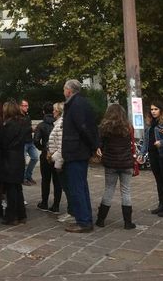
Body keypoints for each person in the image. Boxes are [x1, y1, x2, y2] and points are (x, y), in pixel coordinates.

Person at [61, 79, 98, 233]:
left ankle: (83, 221)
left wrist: (93, 146)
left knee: (77, 187)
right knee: (80, 186)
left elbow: (84, 127)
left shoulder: (75, 105)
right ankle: (84, 218)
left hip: (76, 151)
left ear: (69, 90)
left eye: (64, 89)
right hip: (78, 150)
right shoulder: (81, 103)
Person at [94, 104, 136, 229]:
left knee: (109, 189)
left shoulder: (104, 128)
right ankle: (128, 222)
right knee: (126, 191)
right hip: (126, 162)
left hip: (111, 163)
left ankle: (101, 220)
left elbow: (100, 145)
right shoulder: (128, 127)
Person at [140, 101, 163, 217]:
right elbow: (146, 140)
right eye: (152, 109)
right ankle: (162, 204)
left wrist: (162, 142)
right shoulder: (150, 123)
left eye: (156, 109)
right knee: (159, 180)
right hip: (152, 154)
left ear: (161, 110)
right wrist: (142, 152)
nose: (153, 111)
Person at [1, 101, 27, 226]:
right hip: (19, 157)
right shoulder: (22, 122)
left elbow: (5, 142)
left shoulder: (9, 125)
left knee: (11, 188)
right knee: (17, 187)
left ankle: (12, 215)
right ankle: (21, 214)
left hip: (10, 158)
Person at [47, 102, 73, 222]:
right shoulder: (58, 124)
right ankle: (71, 211)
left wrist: (55, 160)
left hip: (60, 160)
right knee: (66, 187)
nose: (53, 112)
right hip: (58, 158)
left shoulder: (61, 124)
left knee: (68, 188)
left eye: (54, 110)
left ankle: (72, 212)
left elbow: (62, 146)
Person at [34, 102, 62, 214]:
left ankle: (44, 202)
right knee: (57, 181)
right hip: (57, 153)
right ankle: (56, 205)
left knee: (45, 180)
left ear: (44, 112)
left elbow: (36, 140)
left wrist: (42, 149)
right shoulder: (58, 124)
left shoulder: (41, 125)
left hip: (46, 154)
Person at [20, 99, 39, 186]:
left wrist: (33, 129)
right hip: (23, 142)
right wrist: (31, 129)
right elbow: (20, 130)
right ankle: (23, 178)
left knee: (35, 157)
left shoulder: (27, 116)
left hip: (29, 141)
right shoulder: (18, 117)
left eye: (27, 105)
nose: (27, 107)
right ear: (20, 106)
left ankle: (28, 175)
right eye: (25, 106)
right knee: (23, 162)